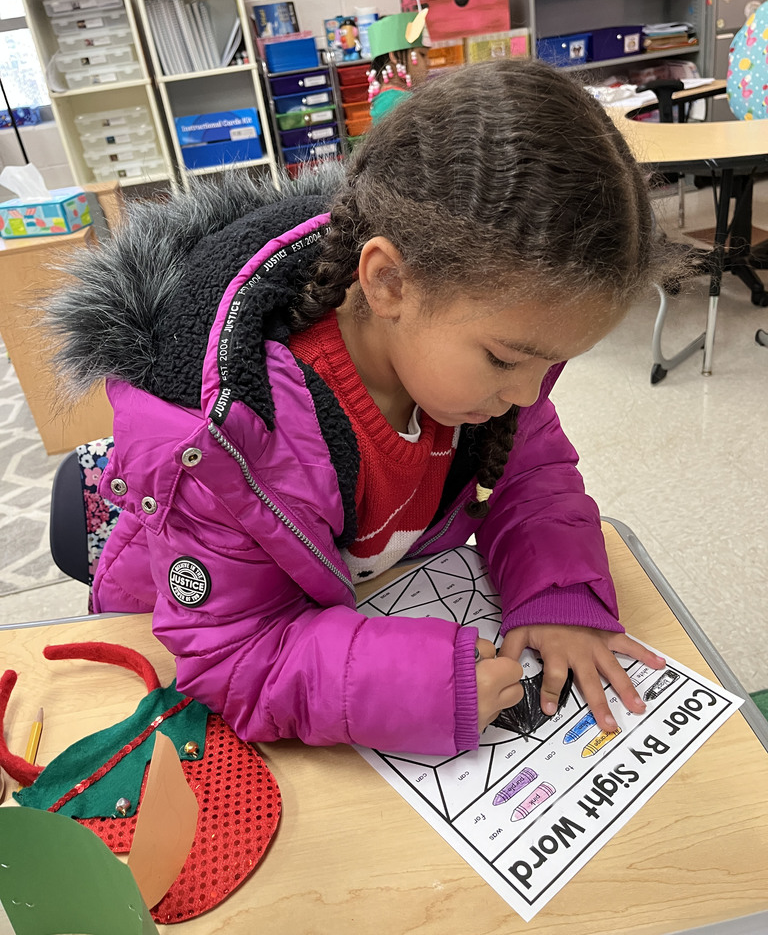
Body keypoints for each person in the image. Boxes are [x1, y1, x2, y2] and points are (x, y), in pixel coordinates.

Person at [48, 59, 676, 758]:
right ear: (388, 283)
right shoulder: (234, 434)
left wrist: (558, 594)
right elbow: (232, 658)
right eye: (506, 359)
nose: (529, 395)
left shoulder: (478, 379)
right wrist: (413, 687)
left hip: (351, 604)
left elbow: (534, 480)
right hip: (167, 648)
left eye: (551, 363)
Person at [366, 11, 430, 122]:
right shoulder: (398, 103)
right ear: (395, 57)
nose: (428, 63)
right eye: (422, 54)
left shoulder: (385, 99)